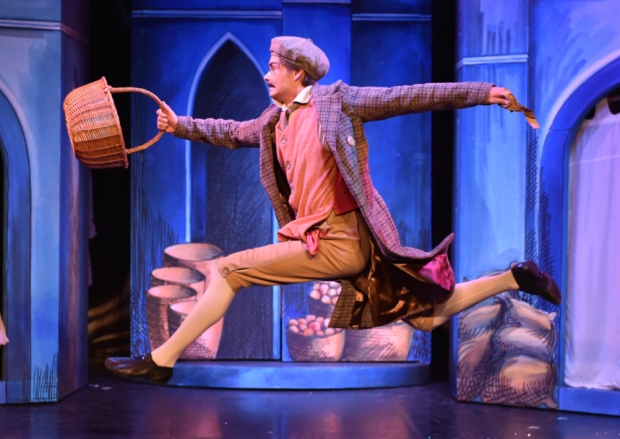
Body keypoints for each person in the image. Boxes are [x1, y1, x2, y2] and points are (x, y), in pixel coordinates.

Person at [105, 36, 561, 384]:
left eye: (274, 67)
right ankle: (515, 278)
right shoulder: (274, 120)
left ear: (298, 73)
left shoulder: (336, 102)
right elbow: (230, 131)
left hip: (340, 239)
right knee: (426, 317)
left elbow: (409, 96)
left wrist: (481, 92)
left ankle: (161, 362)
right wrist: (179, 124)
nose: (266, 75)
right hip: (325, 243)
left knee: (227, 271)